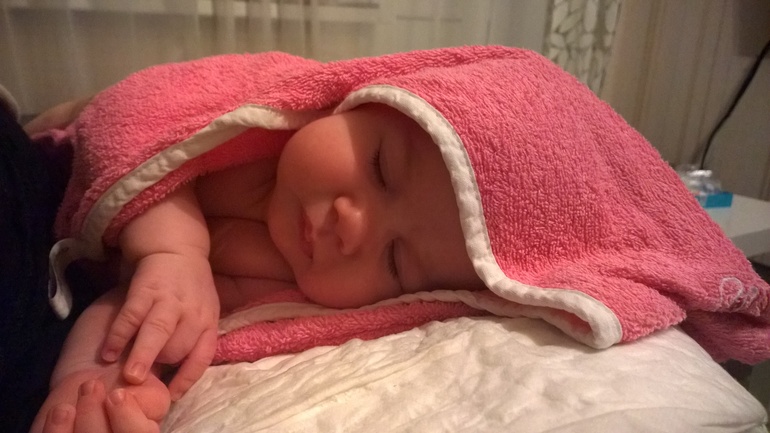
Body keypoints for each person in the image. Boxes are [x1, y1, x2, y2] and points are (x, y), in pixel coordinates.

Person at [29, 101, 484, 433]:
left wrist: (114, 376)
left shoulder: (282, 284)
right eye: (381, 167)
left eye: (395, 261)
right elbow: (138, 124)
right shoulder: (253, 133)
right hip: (52, 177)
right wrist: (172, 250)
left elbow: (154, 305)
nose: (353, 226)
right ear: (364, 100)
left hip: (70, 275)